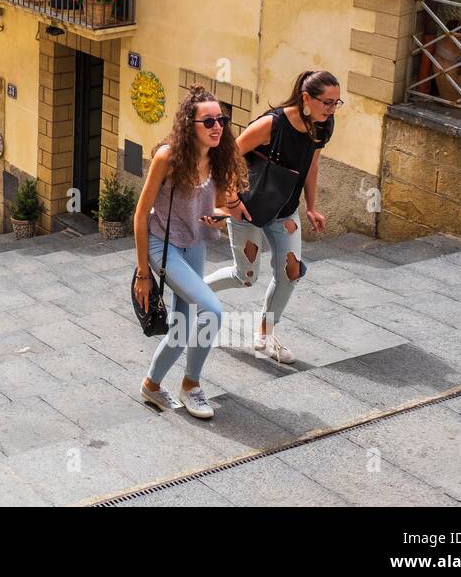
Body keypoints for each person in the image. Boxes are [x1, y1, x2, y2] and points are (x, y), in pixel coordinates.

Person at [206, 69, 342, 365]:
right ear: (306, 97)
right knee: (246, 277)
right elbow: (230, 156)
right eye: (327, 103)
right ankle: (197, 292)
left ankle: (264, 335)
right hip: (248, 206)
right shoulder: (273, 123)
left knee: (290, 273)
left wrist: (311, 206)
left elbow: (312, 165)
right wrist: (230, 199)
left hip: (285, 210)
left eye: (336, 103)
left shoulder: (322, 126)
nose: (332, 109)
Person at [134, 87, 248, 420]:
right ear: (190, 124)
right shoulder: (167, 158)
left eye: (221, 120)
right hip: (162, 245)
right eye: (209, 121)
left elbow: (219, 204)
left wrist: (218, 215)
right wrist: (143, 274)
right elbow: (141, 215)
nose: (217, 127)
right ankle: (191, 384)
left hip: (196, 241)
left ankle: (152, 386)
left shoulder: (218, 157)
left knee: (182, 325)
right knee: (212, 309)